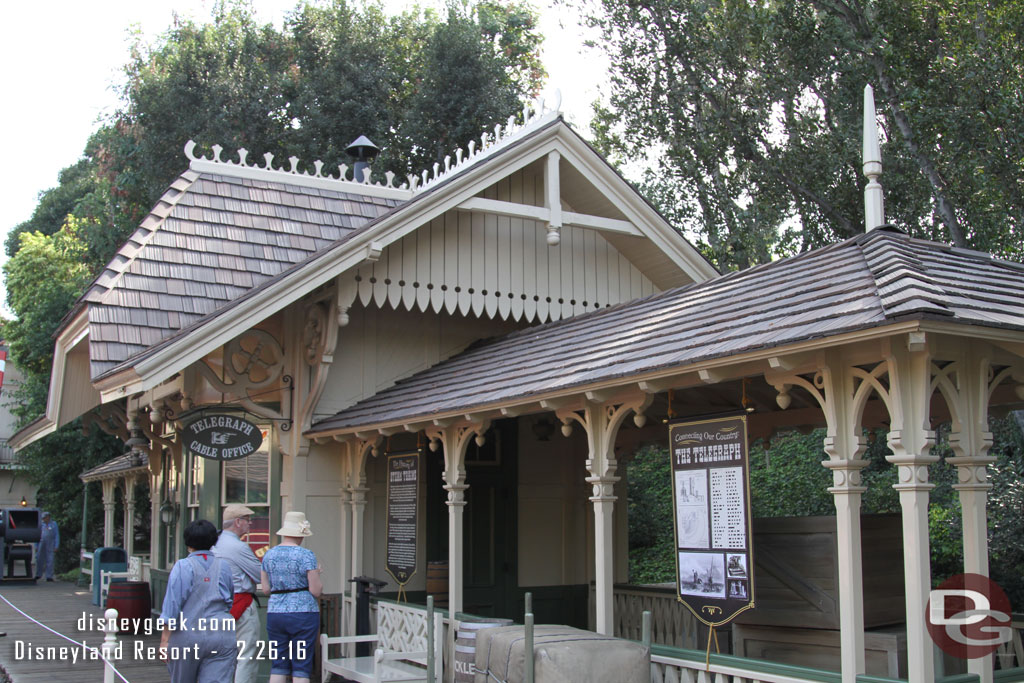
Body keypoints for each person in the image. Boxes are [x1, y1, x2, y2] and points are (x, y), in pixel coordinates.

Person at [160, 519, 238, 682]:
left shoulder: (183, 566)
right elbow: (229, 600)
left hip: (187, 635)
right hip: (221, 635)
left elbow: (171, 607)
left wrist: (165, 641)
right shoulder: (223, 566)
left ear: (188, 542)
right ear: (213, 541)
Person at [261, 511, 322, 683]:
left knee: (278, 663)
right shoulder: (306, 555)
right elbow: (316, 590)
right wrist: (317, 573)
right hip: (303, 614)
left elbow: (266, 589)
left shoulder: (268, 554)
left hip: (275, 614)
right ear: (301, 535)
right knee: (301, 665)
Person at [213, 504, 262, 683]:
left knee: (221, 656)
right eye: (248, 520)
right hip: (241, 604)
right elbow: (259, 575)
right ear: (238, 522)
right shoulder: (238, 547)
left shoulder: (213, 543)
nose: (250, 524)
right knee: (246, 655)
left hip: (217, 606)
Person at [35, 511, 59, 581]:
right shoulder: (41, 524)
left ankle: (49, 576)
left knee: (50, 559)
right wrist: (36, 545)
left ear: (48, 517)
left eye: (45, 518)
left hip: (50, 543)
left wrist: (56, 545)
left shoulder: (54, 524)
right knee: (39, 559)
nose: (44, 519)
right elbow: (37, 535)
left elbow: (57, 535)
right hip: (41, 542)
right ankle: (38, 574)